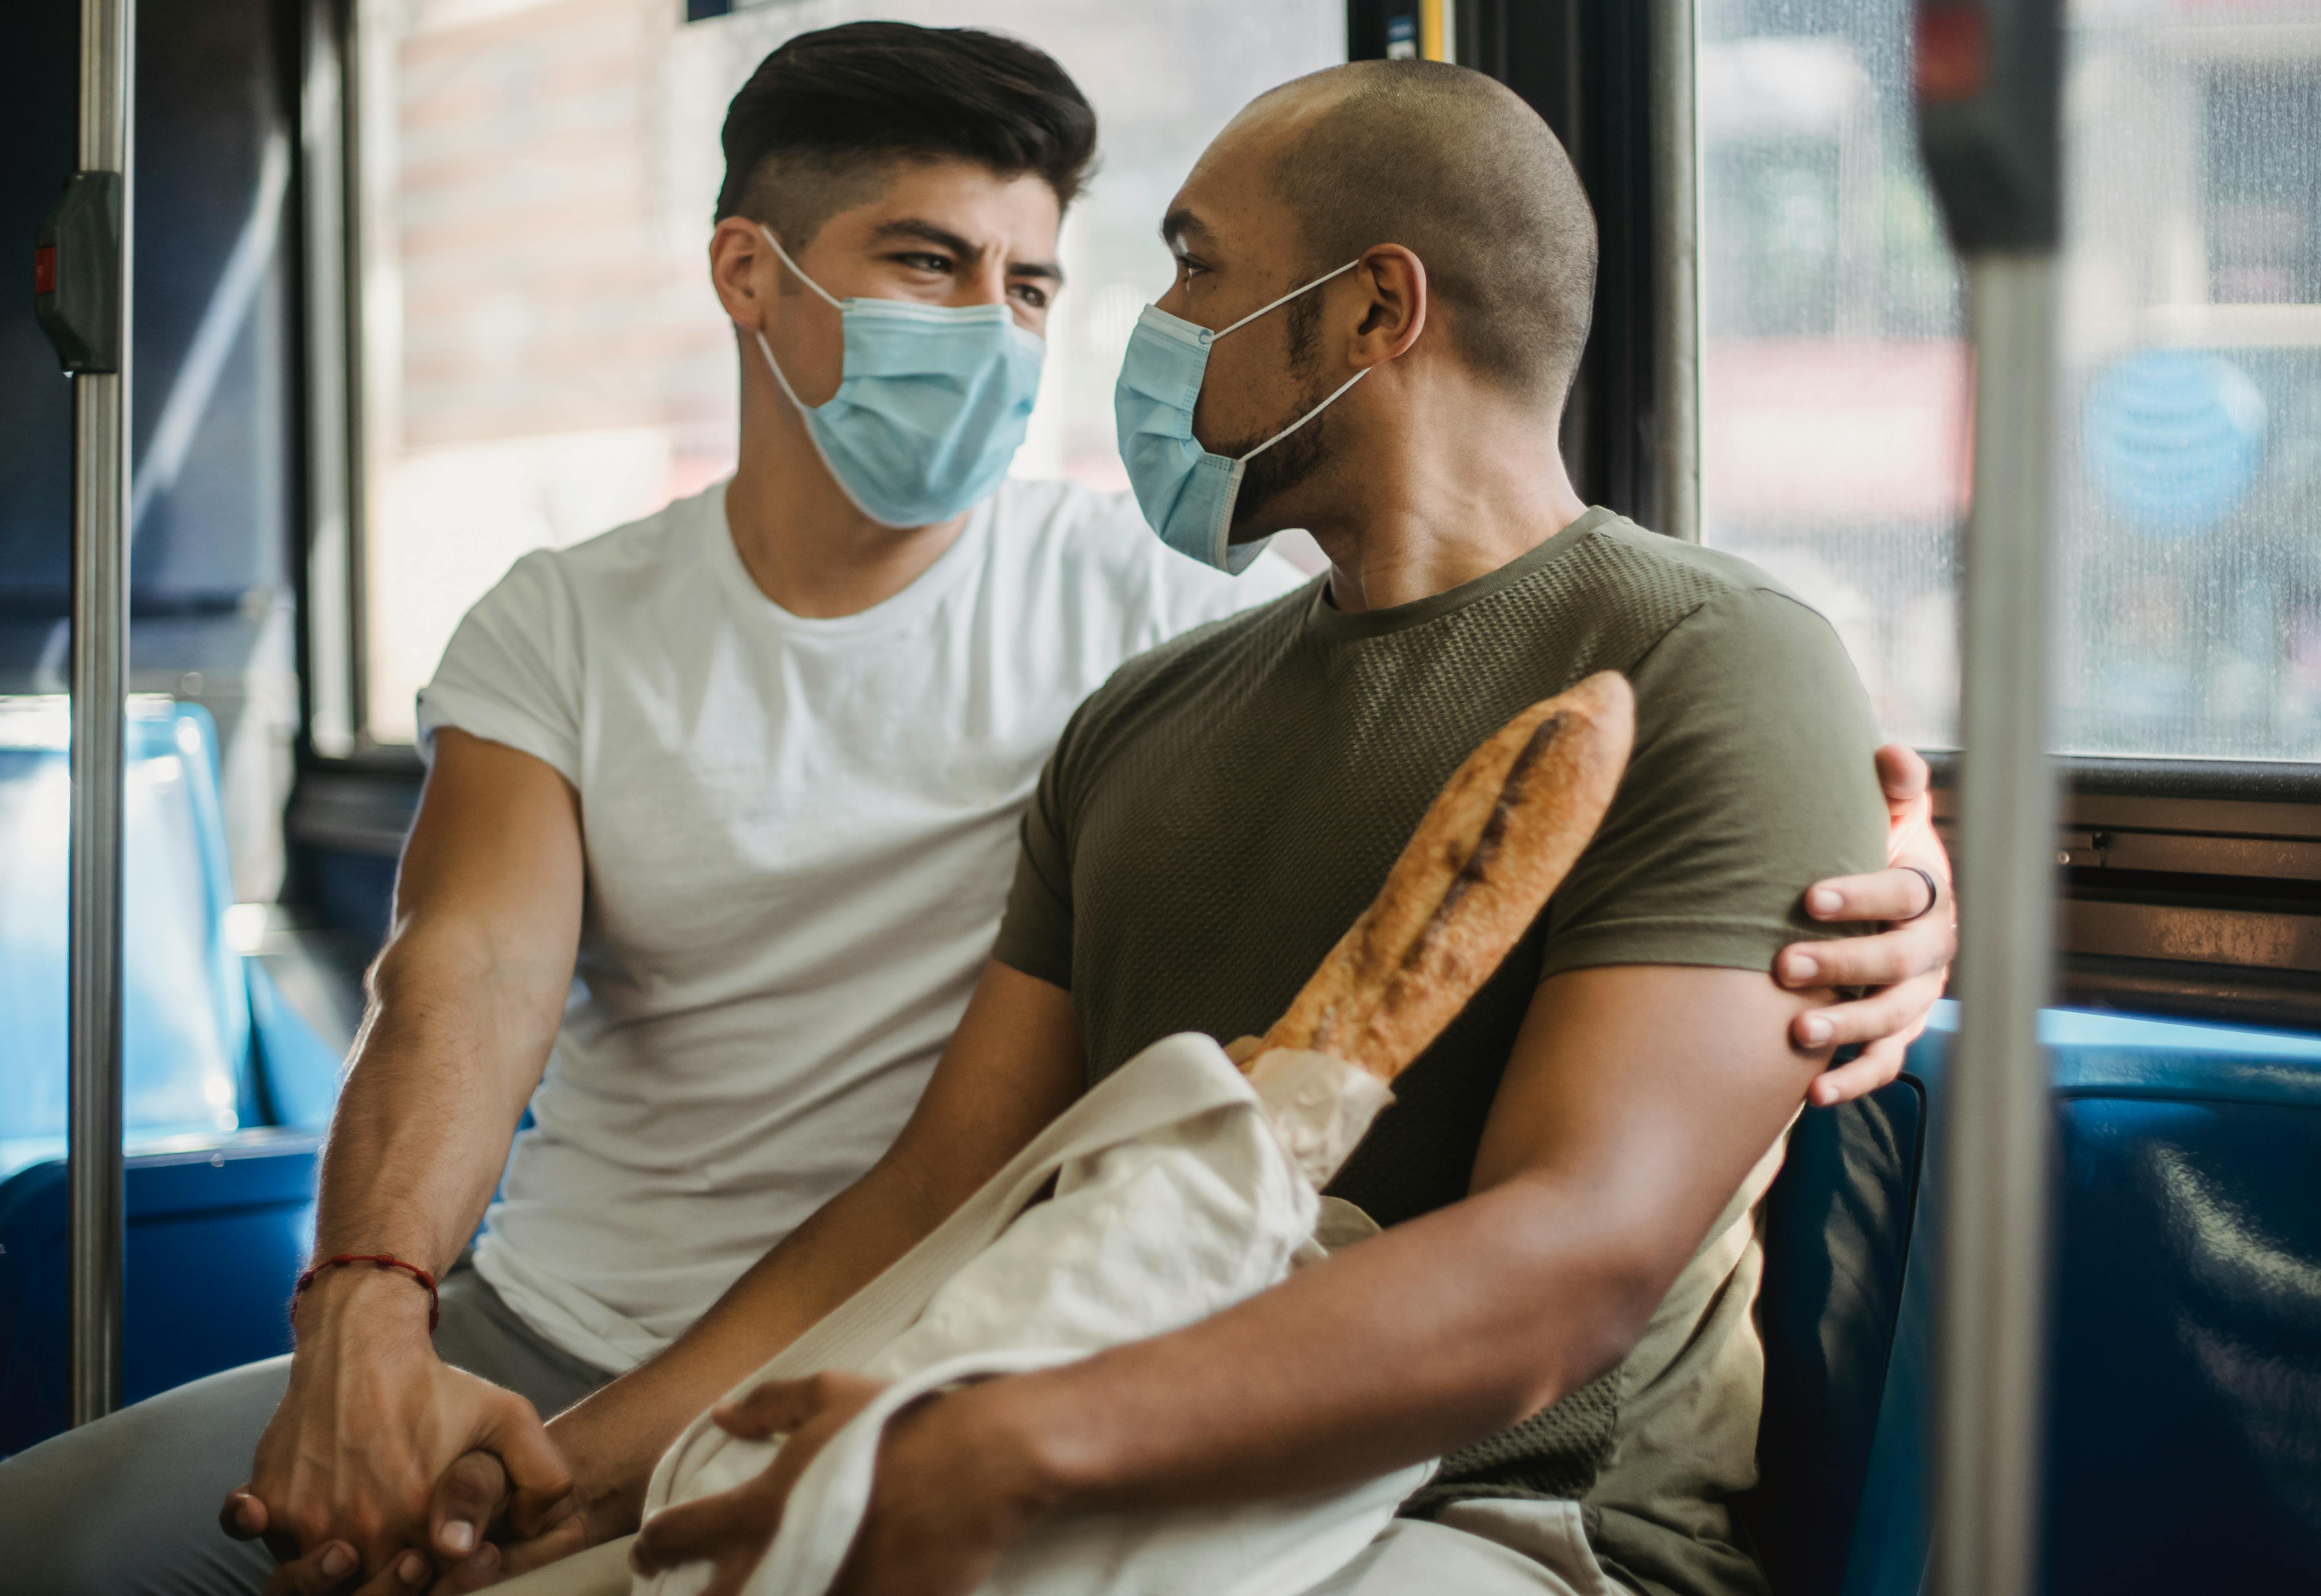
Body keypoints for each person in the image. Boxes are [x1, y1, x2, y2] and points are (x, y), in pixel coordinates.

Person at [0, 32, 1947, 1596]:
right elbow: (564, 1013)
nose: (1080, 338)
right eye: (944, 267)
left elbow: (1577, 1230)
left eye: (1133, 273)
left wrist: (1910, 893)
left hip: (1400, 1482)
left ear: (1370, 316)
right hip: (811, 1356)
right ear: (747, 277)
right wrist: (480, 1388)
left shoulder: (1617, 644)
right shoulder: (1137, 707)